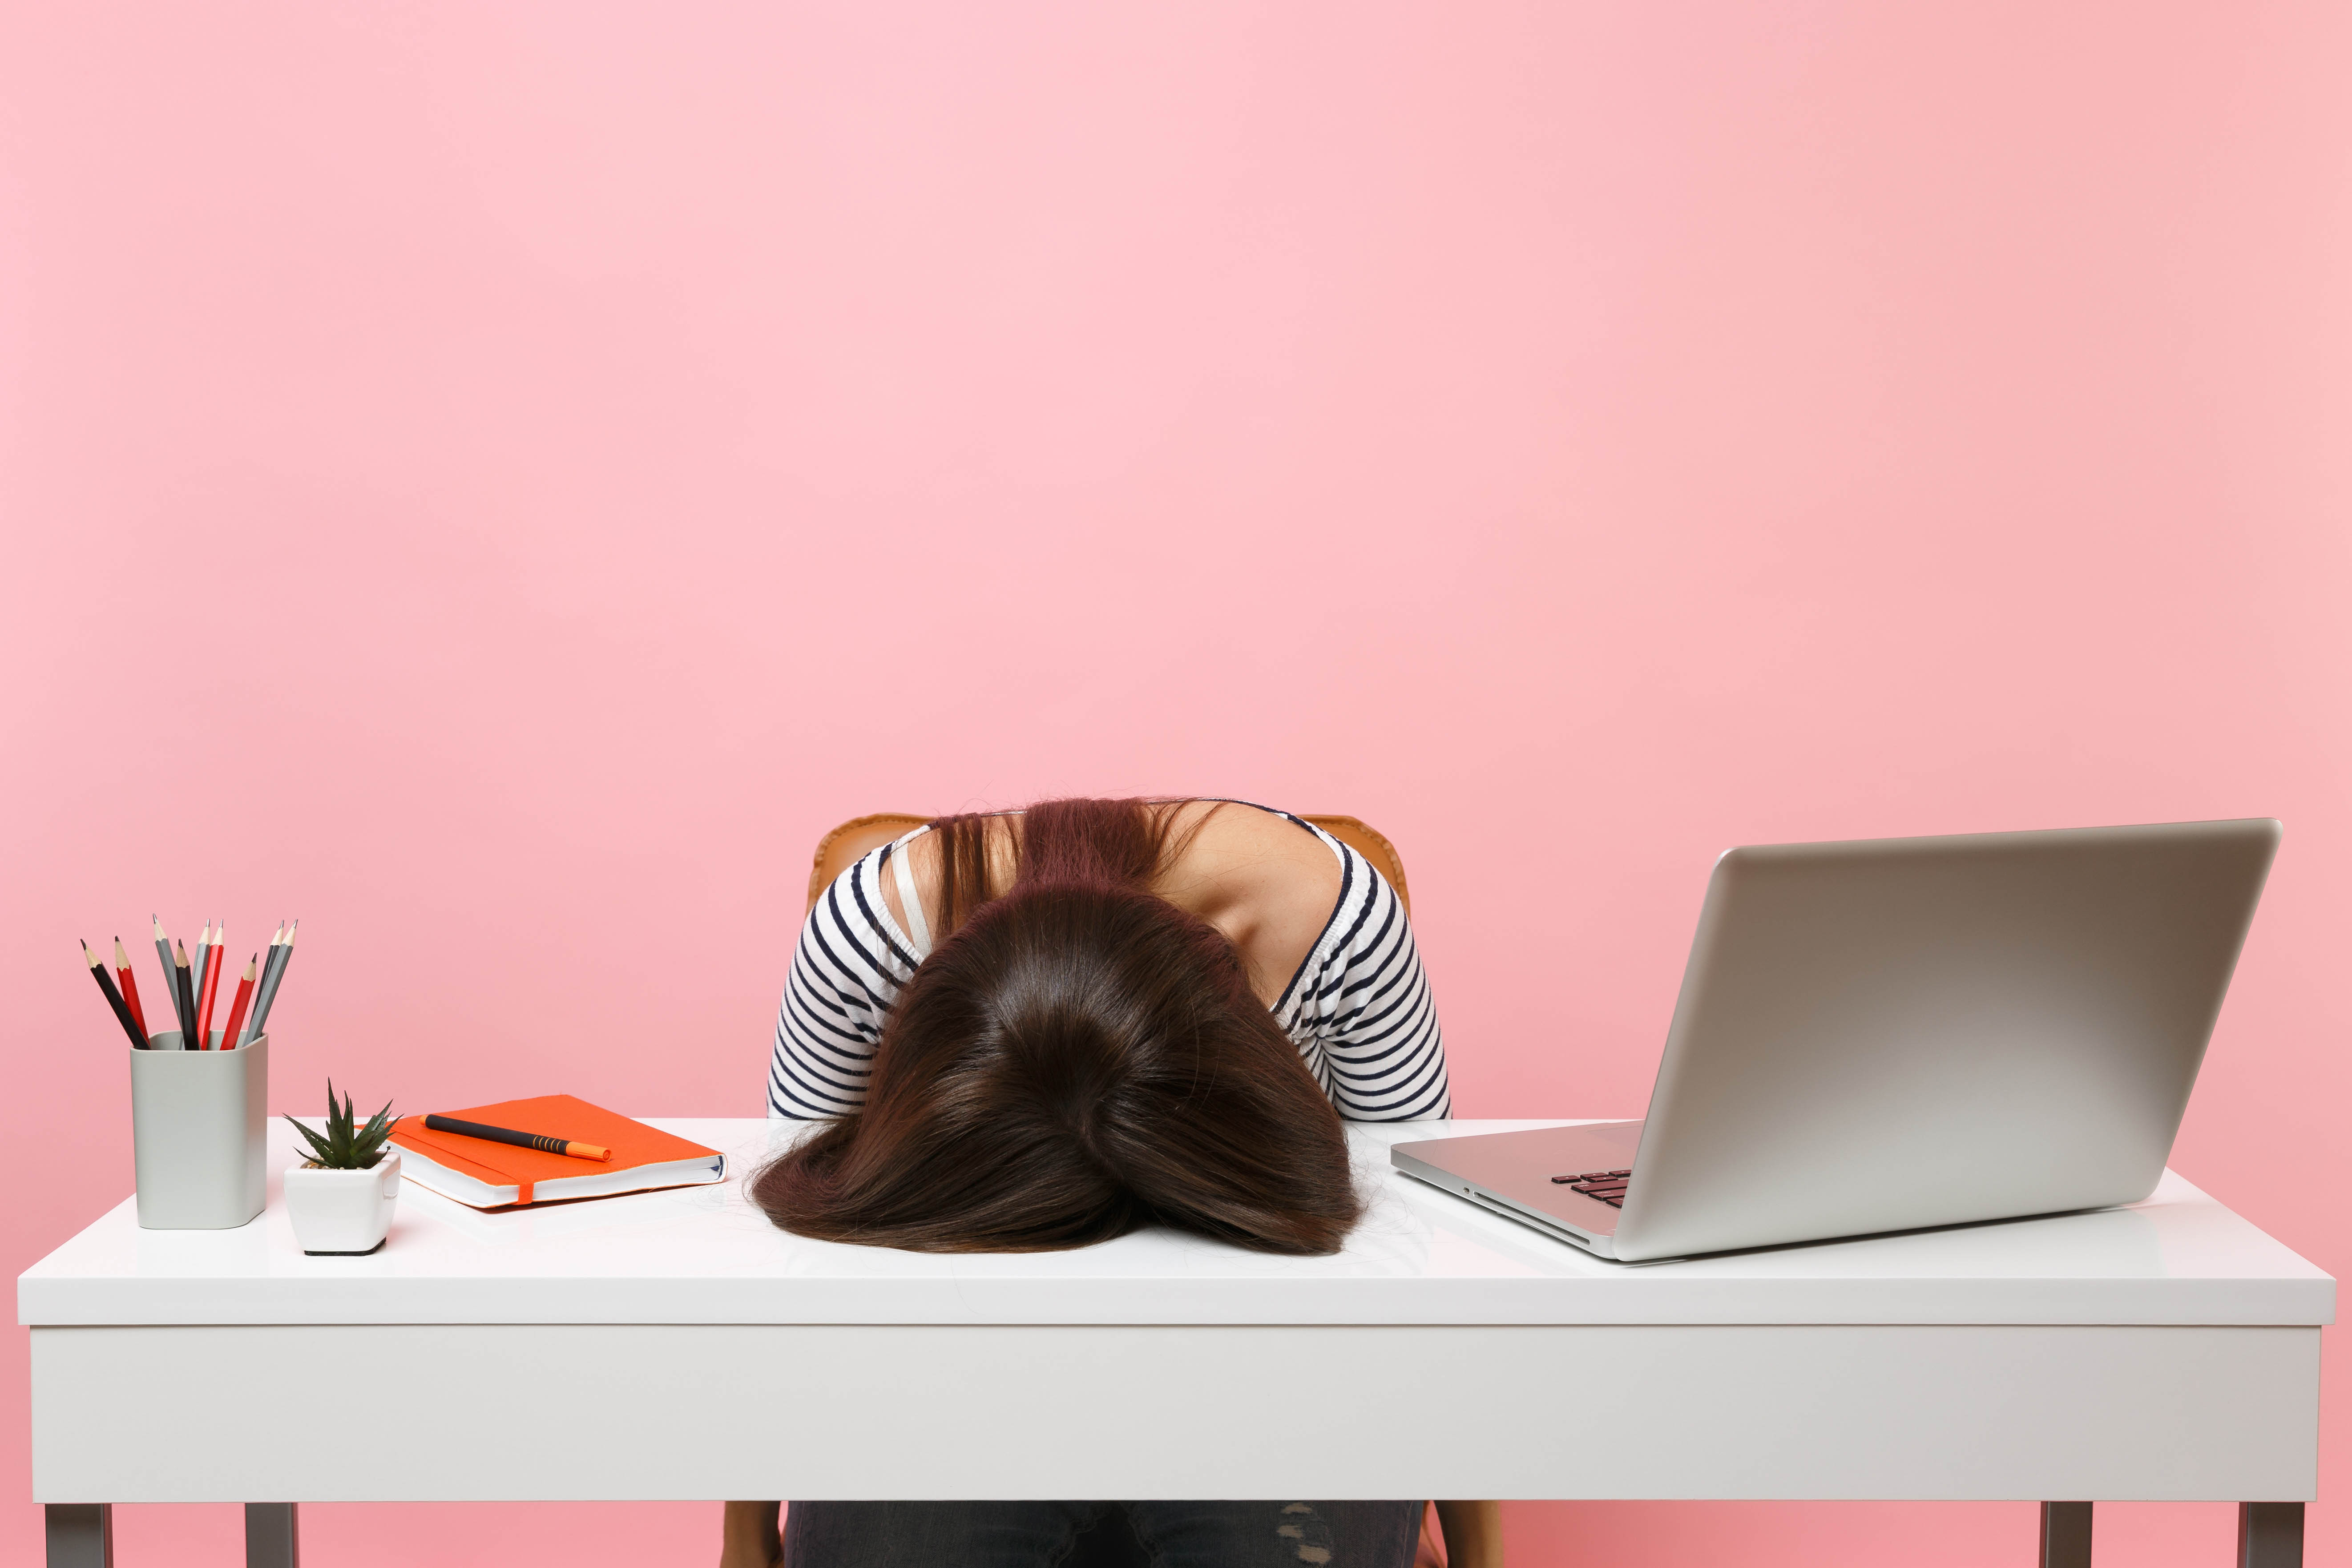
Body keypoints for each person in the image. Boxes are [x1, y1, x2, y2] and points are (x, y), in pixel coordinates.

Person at [724, 798, 1497, 1568]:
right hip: (957, 1370)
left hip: (1273, 1374)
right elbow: (800, 1259)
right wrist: (743, 1540)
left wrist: (1480, 1548)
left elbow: (1425, 1252)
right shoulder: (870, 940)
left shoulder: (1338, 929)